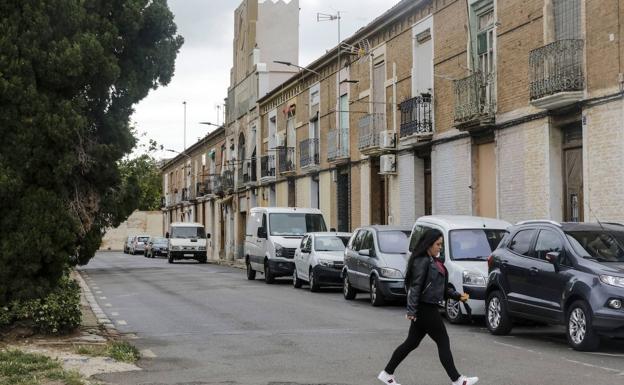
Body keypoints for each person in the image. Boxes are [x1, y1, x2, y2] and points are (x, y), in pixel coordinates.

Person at [377, 228, 478, 385]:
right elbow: (415, 287)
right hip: (425, 308)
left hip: (425, 308)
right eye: (438, 244)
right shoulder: (422, 261)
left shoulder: (433, 261)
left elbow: (440, 288)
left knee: (411, 342)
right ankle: (457, 380)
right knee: (443, 341)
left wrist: (458, 296)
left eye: (441, 244)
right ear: (428, 244)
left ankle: (387, 373)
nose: (440, 247)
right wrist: (411, 310)